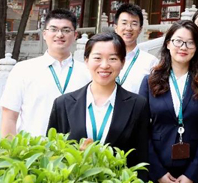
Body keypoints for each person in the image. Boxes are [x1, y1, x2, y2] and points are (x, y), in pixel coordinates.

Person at [139, 21, 198, 183]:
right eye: (178, 41)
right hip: (157, 170)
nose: (183, 47)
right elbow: (142, 131)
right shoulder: (150, 81)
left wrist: (191, 175)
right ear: (167, 44)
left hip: (191, 173)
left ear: (197, 48)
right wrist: (158, 173)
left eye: (190, 43)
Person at [47, 32, 149, 172]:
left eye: (112, 58)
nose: (104, 65)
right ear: (86, 60)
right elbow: (52, 155)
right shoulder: (63, 104)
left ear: (122, 62)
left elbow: (141, 158)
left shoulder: (138, 105)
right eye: (97, 58)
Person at [0, 9, 90, 138]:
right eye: (54, 29)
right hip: (32, 147)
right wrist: (9, 148)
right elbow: (9, 116)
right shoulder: (23, 70)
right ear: (44, 34)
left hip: (74, 148)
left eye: (66, 30)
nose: (59, 35)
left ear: (75, 35)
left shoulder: (87, 72)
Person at [113, 3, 159, 94]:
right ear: (115, 27)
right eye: (124, 23)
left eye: (134, 24)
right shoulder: (104, 59)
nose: (128, 28)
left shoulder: (151, 62)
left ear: (140, 29)